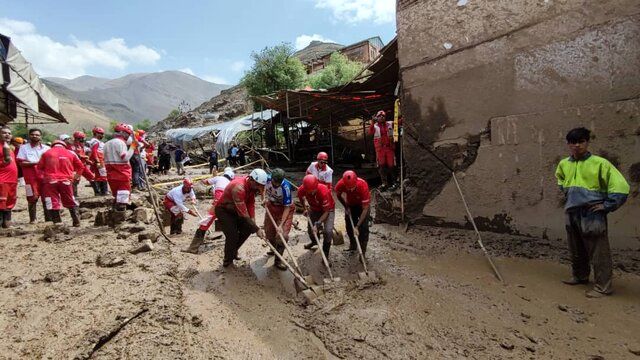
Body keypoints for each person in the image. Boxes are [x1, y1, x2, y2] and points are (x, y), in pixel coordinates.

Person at [555, 127, 630, 298]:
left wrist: (607, 205)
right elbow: (560, 179)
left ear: (587, 142)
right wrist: (568, 194)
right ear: (568, 144)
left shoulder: (600, 164)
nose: (577, 145)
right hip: (572, 211)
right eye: (573, 142)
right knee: (576, 247)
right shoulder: (564, 164)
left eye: (581, 141)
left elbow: (620, 187)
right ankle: (580, 276)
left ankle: (603, 287)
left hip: (592, 212)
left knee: (598, 250)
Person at [215, 168, 267, 267]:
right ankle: (228, 260)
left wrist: (253, 222)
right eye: (257, 185)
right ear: (251, 179)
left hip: (235, 210)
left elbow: (251, 204)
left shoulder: (252, 187)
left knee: (248, 228)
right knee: (232, 236)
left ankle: (233, 251)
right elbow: (243, 213)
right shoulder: (238, 188)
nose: (258, 188)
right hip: (224, 211)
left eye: (259, 186)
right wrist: (257, 229)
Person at [183, 167, 235, 254]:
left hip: (218, 204)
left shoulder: (219, 178)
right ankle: (232, 244)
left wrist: (200, 180)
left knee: (204, 223)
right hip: (228, 205)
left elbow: (206, 182)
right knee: (229, 224)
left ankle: (193, 248)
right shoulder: (231, 183)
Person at [38, 140, 84, 226]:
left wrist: (43, 179)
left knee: (52, 201)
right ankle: (76, 221)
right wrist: (76, 178)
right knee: (70, 200)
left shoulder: (46, 153)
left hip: (50, 181)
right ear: (64, 145)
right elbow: (81, 167)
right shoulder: (71, 153)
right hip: (66, 181)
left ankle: (57, 222)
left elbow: (39, 168)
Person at [297, 174, 335, 263]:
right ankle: (314, 242)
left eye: (312, 191)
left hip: (328, 210)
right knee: (311, 231)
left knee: (328, 231)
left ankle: (325, 255)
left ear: (316, 186)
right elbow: (301, 199)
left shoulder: (324, 191)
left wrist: (318, 223)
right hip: (314, 208)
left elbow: (326, 212)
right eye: (308, 191)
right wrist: (305, 208)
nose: (310, 193)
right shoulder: (301, 190)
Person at [16, 128, 51, 223]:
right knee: (31, 198)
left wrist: (32, 163)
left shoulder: (47, 149)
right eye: (32, 134)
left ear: (41, 136)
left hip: (45, 177)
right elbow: (21, 163)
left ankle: (49, 218)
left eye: (37, 135)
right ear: (29, 135)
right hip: (30, 179)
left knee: (47, 198)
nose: (35, 136)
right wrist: (37, 163)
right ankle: (32, 219)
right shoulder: (23, 148)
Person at [263, 168, 295, 270]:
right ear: (271, 178)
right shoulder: (266, 179)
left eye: (278, 183)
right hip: (272, 206)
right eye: (274, 182)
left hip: (284, 209)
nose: (276, 184)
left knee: (282, 236)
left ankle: (278, 260)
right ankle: (274, 248)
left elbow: (287, 207)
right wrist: (264, 198)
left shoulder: (286, 188)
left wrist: (281, 225)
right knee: (269, 232)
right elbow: (262, 188)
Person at [104, 123, 135, 223]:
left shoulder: (107, 144)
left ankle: (112, 219)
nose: (128, 136)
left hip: (111, 175)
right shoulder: (120, 143)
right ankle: (119, 222)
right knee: (122, 199)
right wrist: (133, 147)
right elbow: (125, 157)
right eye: (127, 134)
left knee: (117, 197)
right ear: (123, 133)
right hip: (122, 174)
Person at [335, 170, 371, 256]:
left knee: (364, 229)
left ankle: (362, 252)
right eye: (348, 188)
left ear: (356, 183)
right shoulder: (340, 184)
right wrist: (346, 207)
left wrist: (357, 226)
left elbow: (365, 209)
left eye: (352, 187)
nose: (350, 189)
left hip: (362, 206)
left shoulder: (363, 186)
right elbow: (338, 195)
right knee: (349, 225)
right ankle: (353, 244)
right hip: (350, 204)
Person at [369, 110, 396, 190]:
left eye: (383, 116)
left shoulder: (390, 123)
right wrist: (372, 123)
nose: (381, 117)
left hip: (389, 148)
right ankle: (384, 183)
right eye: (380, 116)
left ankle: (394, 182)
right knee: (381, 166)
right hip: (380, 150)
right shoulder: (375, 126)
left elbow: (399, 122)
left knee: (392, 166)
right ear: (377, 118)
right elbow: (370, 132)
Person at [0, 127, 18, 228]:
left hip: (12, 179)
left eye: (9, 133)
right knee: (1, 201)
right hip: (2, 179)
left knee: (10, 201)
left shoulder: (10, 147)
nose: (7, 135)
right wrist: (3, 162)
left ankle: (7, 223)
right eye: (4, 133)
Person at [71, 131, 96, 197]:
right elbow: (76, 155)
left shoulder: (81, 146)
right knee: (75, 180)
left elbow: (83, 155)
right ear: (76, 138)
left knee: (92, 177)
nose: (82, 140)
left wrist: (87, 160)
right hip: (76, 166)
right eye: (81, 138)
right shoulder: (72, 146)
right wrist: (85, 157)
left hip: (83, 165)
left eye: (82, 138)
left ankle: (97, 192)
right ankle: (74, 195)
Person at [87, 127, 109, 196]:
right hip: (99, 159)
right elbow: (94, 151)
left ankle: (100, 192)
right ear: (96, 133)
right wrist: (98, 161)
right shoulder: (95, 141)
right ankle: (104, 191)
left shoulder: (96, 141)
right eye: (101, 134)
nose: (103, 135)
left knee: (99, 175)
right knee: (102, 175)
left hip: (99, 158)